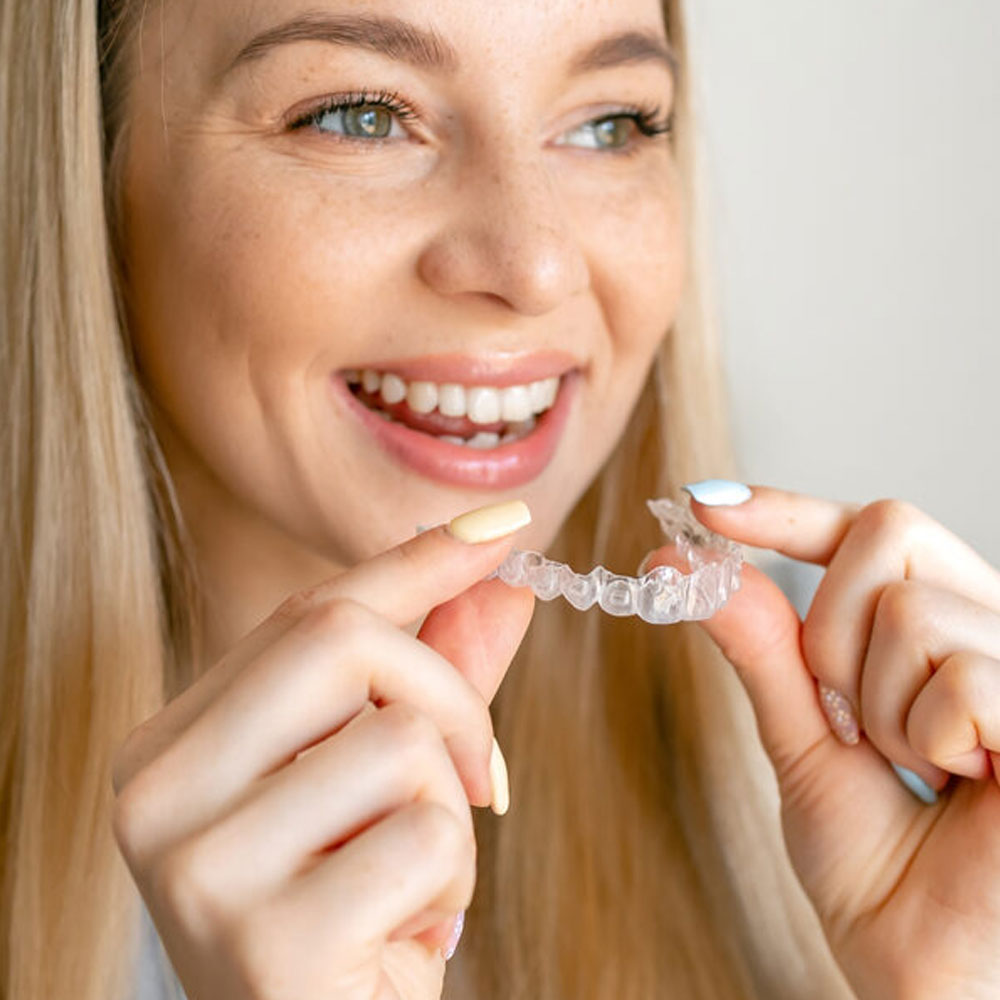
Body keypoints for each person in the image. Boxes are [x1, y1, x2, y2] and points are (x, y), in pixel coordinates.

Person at [2, 0, 998, 997]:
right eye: (358, 114)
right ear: (88, 168)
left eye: (612, 123)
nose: (535, 265)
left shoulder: (888, 763)